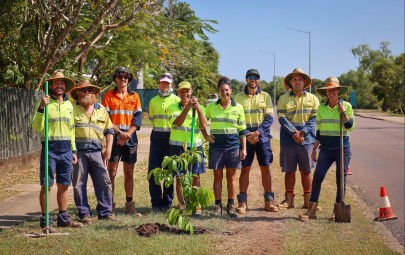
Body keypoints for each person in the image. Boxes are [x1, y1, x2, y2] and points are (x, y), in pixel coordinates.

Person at [32, 71, 83, 232]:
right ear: (51, 86)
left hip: (66, 150)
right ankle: (45, 220)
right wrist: (41, 107)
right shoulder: (44, 102)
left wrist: (74, 150)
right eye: (56, 83)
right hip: (49, 149)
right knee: (47, 185)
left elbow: (72, 129)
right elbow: (36, 126)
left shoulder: (69, 105)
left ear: (65, 86)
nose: (59, 85)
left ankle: (63, 218)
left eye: (62, 83)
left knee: (64, 185)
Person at [299, 77, 355, 221]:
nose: (331, 92)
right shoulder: (321, 108)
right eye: (329, 90)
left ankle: (337, 210)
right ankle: (312, 210)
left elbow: (350, 127)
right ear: (326, 92)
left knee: (340, 179)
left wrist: (342, 112)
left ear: (338, 91)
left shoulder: (347, 105)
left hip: (342, 147)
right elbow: (319, 130)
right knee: (318, 177)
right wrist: (314, 148)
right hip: (326, 148)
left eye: (334, 89)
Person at [234, 69, 278, 214]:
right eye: (250, 77)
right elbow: (236, 119)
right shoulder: (238, 97)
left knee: (265, 168)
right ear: (246, 79)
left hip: (262, 136)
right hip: (245, 136)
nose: (253, 79)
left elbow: (269, 118)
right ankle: (242, 203)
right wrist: (247, 133)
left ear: (259, 80)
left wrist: (257, 132)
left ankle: (269, 201)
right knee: (245, 169)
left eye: (256, 77)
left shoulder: (266, 97)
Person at [71, 80, 115, 224]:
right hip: (79, 153)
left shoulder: (101, 109)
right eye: (84, 90)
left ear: (94, 93)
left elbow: (109, 130)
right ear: (78, 93)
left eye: (90, 90)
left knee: (104, 182)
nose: (87, 92)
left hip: (97, 152)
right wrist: (72, 151)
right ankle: (84, 214)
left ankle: (105, 212)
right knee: (79, 184)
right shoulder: (72, 109)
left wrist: (108, 150)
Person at [204, 76, 247, 218]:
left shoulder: (238, 107)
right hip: (216, 147)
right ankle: (217, 206)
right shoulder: (211, 107)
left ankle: (230, 205)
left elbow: (242, 130)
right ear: (218, 91)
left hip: (233, 147)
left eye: (227, 90)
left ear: (231, 91)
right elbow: (202, 121)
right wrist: (205, 135)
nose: (225, 93)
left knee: (231, 177)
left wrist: (244, 148)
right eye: (222, 90)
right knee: (217, 177)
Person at [277, 68, 320, 209]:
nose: (297, 82)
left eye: (300, 79)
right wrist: (294, 133)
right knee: (289, 170)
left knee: (306, 170)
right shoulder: (283, 99)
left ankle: (309, 201)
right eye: (294, 79)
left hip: (307, 140)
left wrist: (302, 133)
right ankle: (289, 200)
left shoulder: (313, 99)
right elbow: (282, 119)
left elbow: (314, 119)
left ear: (304, 82)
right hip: (288, 139)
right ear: (290, 82)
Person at [102, 67, 142, 216]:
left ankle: (129, 206)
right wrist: (119, 134)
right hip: (114, 139)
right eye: (120, 77)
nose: (123, 79)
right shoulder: (108, 96)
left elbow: (137, 118)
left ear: (128, 80)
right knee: (111, 172)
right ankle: (109, 206)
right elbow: (106, 119)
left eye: (126, 77)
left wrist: (128, 135)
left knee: (129, 173)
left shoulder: (134, 96)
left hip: (130, 140)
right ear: (115, 79)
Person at [167, 81, 207, 216]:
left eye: (187, 91)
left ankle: (196, 205)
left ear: (191, 92)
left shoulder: (199, 107)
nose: (185, 94)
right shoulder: (172, 107)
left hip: (194, 147)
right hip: (177, 147)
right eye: (182, 91)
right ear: (178, 93)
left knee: (195, 176)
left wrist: (198, 109)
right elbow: (178, 122)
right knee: (179, 177)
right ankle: (182, 204)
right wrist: (188, 108)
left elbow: (203, 125)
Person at [148, 73, 180, 213]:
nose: (165, 85)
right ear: (159, 84)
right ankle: (155, 204)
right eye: (162, 83)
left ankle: (167, 203)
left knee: (168, 172)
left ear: (171, 84)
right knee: (153, 172)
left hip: (171, 139)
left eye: (167, 83)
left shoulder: (177, 100)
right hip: (156, 138)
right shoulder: (153, 101)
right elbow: (151, 119)